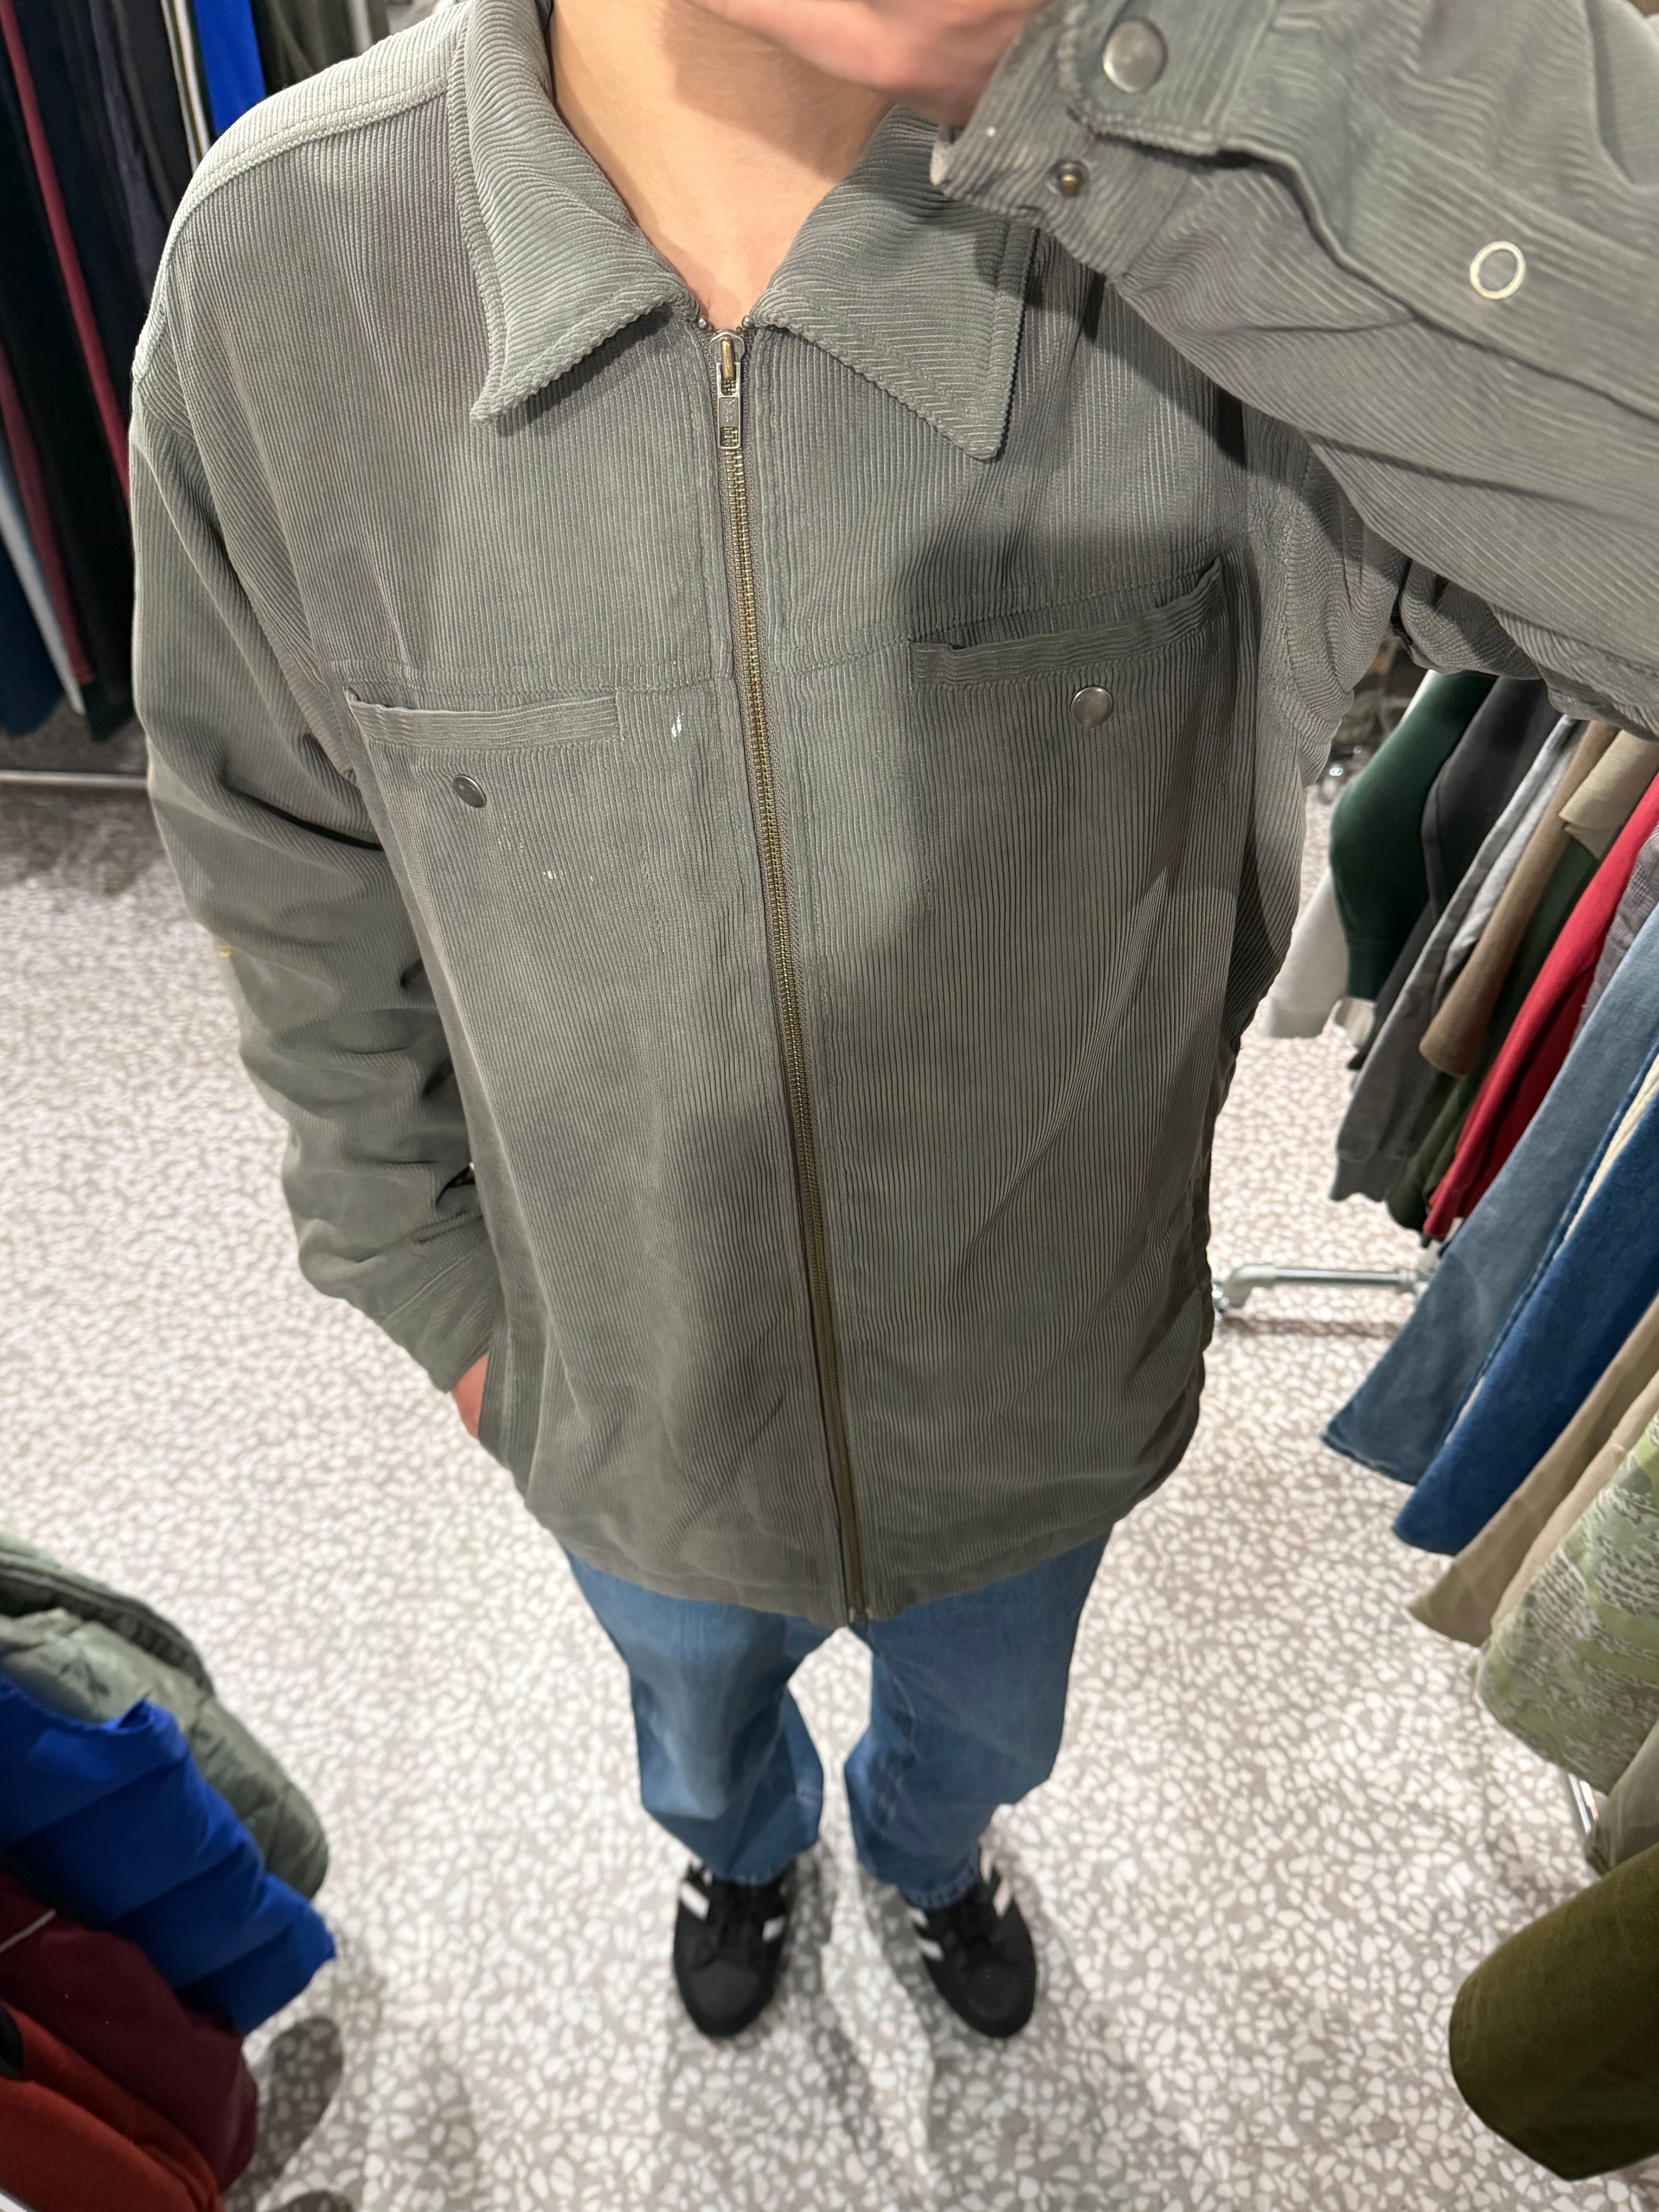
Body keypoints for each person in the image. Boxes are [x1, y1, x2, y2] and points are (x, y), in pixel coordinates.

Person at [131, 0, 1659, 2041]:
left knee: (983, 1738)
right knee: (692, 1726)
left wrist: (1190, 73)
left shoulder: (1226, 236)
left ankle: (930, 1859)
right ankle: (735, 1847)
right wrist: (433, 1290)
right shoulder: (284, 266)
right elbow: (279, 858)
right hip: (617, 1396)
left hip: (1044, 1402)